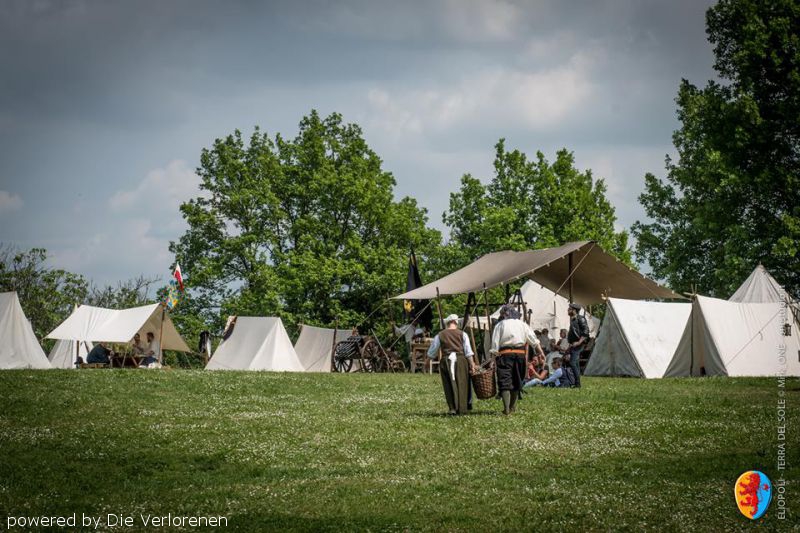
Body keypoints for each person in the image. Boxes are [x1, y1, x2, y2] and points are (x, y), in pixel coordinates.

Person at [490, 305, 545, 415]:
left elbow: (495, 344)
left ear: (505, 314)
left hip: (505, 355)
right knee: (517, 380)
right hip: (520, 355)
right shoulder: (523, 324)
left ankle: (506, 409)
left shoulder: (500, 325)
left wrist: (492, 359)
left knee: (505, 381)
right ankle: (512, 408)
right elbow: (533, 340)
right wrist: (541, 352)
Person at [427, 314, 477, 415]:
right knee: (462, 384)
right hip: (461, 361)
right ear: (456, 322)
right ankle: (462, 408)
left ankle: (452, 408)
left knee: (448, 384)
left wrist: (427, 361)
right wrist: (472, 364)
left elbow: (433, 350)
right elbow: (468, 351)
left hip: (446, 361)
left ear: (448, 323)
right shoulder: (463, 334)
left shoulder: (440, 335)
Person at [566, 303, 590, 388]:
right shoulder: (573, 319)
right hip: (574, 344)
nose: (568, 310)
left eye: (569, 309)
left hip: (579, 344)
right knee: (575, 363)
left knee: (572, 363)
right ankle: (577, 384)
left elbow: (586, 331)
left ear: (574, 310)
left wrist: (579, 342)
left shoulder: (580, 318)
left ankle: (577, 384)